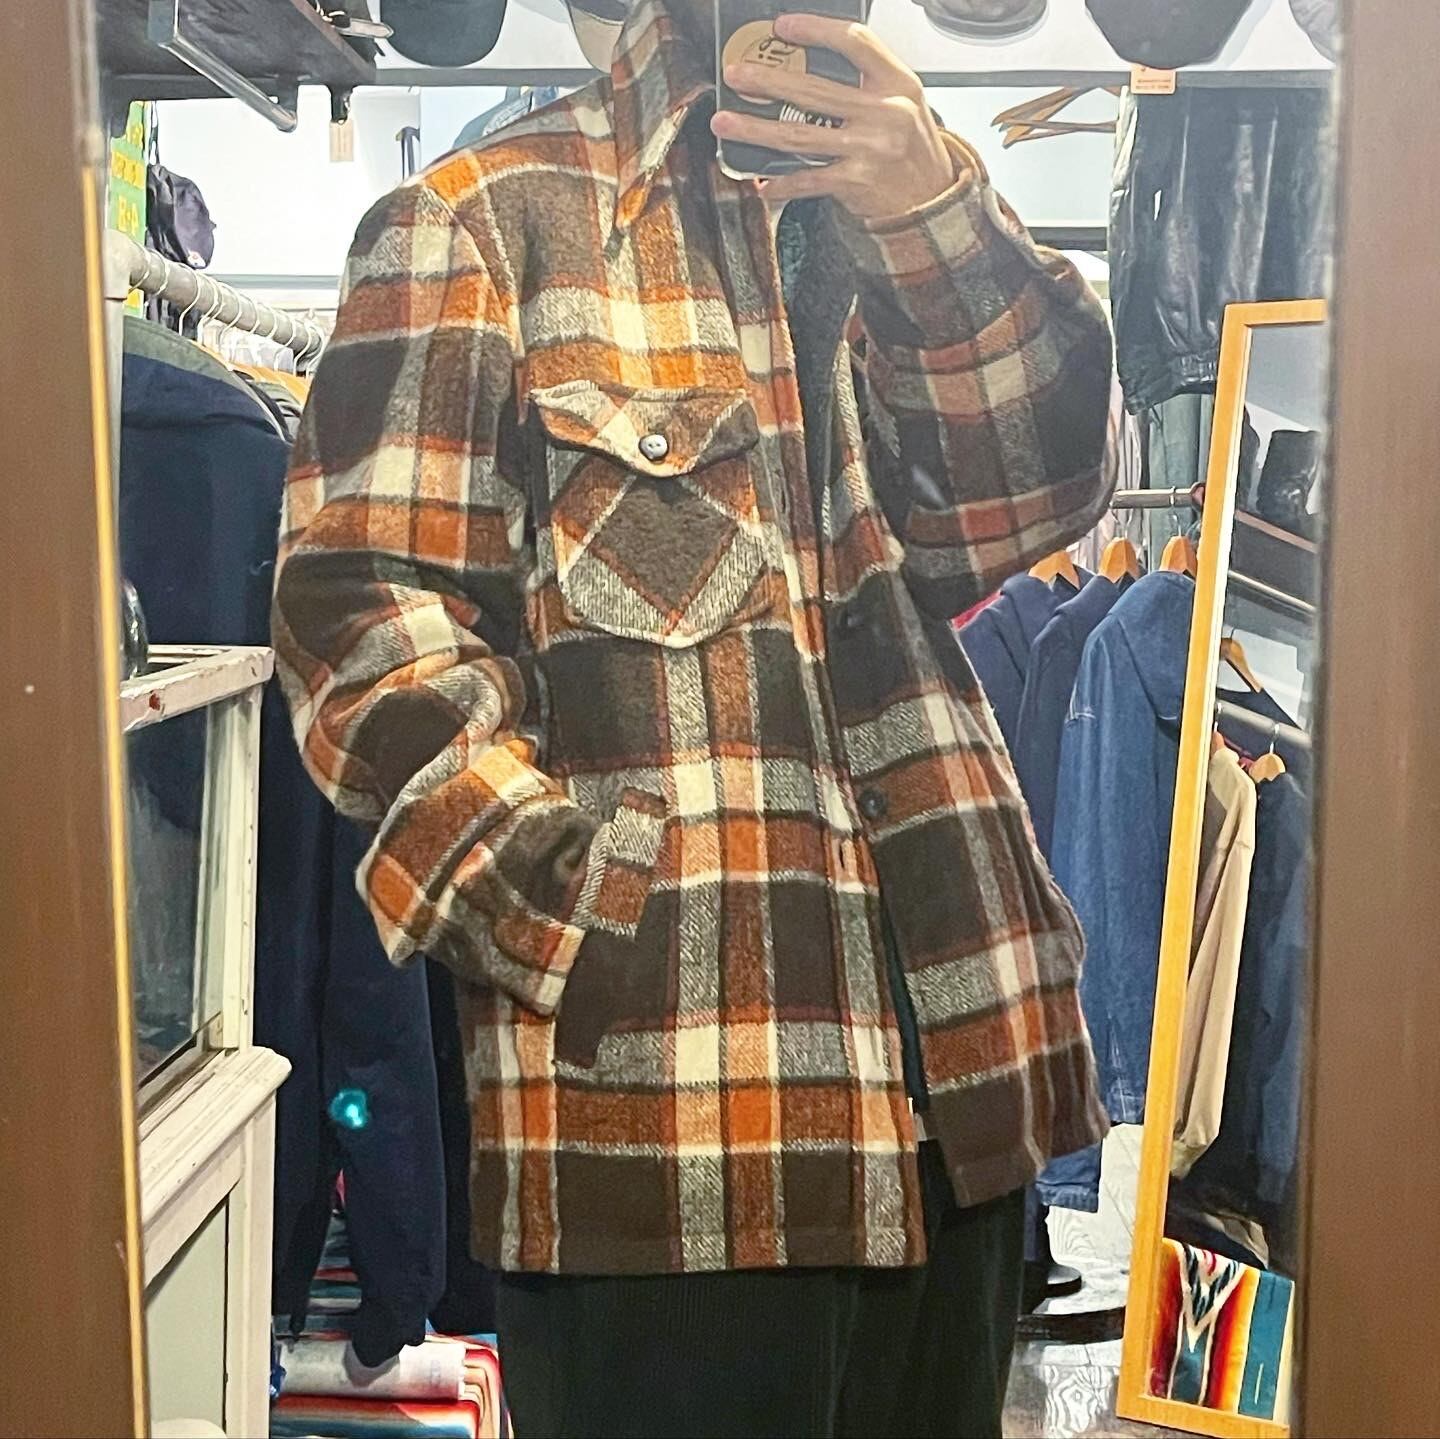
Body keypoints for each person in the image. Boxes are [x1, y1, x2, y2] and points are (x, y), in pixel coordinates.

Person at [273, 2, 1114, 1434]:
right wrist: (585, 925)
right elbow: (364, 628)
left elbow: (1023, 501)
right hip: (667, 1121)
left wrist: (936, 215)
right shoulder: (486, 223)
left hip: (961, 1098)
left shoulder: (895, 218)